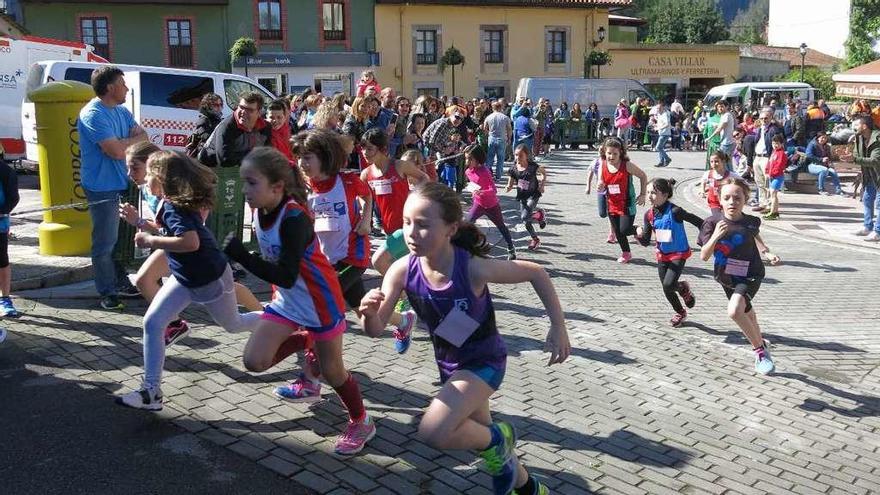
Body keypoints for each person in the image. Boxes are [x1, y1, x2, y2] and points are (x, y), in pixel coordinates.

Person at [358, 182, 570, 495]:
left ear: (451, 228)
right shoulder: (401, 270)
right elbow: (375, 330)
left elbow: (536, 272)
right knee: (482, 439)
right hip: (451, 366)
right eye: (406, 223)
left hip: (484, 362)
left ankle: (501, 437)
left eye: (423, 225)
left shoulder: (472, 268)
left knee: (434, 431)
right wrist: (368, 312)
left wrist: (558, 326)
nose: (411, 233)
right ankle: (530, 489)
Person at [223, 146, 375, 454]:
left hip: (320, 302)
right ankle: (308, 341)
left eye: (252, 183)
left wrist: (242, 257)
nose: (245, 190)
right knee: (254, 361)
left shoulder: (294, 219)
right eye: (244, 182)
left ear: (277, 187)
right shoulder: (261, 209)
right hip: (289, 302)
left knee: (334, 373)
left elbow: (286, 274)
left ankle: (361, 421)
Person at [116, 151, 256, 410]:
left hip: (210, 277)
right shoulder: (170, 202)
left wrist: (149, 241)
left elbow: (190, 242)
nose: (145, 179)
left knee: (234, 325)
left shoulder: (173, 206)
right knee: (153, 323)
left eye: (149, 174)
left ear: (162, 179)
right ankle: (151, 391)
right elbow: (171, 232)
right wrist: (140, 223)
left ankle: (281, 321)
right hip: (184, 278)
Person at [119, 142, 262, 346]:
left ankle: (269, 320)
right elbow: (166, 228)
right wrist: (138, 222)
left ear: (153, 166)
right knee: (146, 281)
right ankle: (175, 324)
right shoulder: (151, 188)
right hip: (184, 250)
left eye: (134, 167)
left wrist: (148, 235)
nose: (129, 173)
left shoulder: (173, 189)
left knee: (228, 299)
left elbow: (187, 235)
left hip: (196, 252)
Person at [77, 66, 147, 310]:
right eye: (123, 83)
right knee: (105, 242)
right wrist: (127, 144)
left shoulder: (121, 111)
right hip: (101, 187)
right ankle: (107, 292)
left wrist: (123, 143)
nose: (127, 88)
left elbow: (144, 138)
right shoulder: (92, 114)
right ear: (110, 87)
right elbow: (116, 151)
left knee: (121, 241)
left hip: (123, 183)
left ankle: (120, 281)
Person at [698, 178, 781, 375]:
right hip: (726, 277)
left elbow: (753, 235)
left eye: (737, 197)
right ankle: (761, 343)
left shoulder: (751, 221)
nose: (732, 202)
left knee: (735, 311)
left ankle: (760, 352)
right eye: (727, 197)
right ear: (720, 199)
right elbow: (704, 256)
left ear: (745, 199)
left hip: (750, 274)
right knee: (748, 313)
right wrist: (717, 236)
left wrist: (766, 252)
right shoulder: (711, 223)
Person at [635, 178, 702, 327]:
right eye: (648, 193)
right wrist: (637, 232)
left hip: (678, 253)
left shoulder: (675, 211)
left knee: (668, 283)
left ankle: (682, 289)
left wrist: (707, 236)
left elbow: (698, 221)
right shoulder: (649, 215)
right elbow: (645, 241)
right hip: (662, 254)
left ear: (665, 195)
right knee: (667, 287)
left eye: (654, 192)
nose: (650, 196)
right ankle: (680, 311)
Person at [360, 128, 429, 235]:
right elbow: (364, 200)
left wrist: (414, 196)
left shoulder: (399, 165)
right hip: (389, 228)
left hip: (409, 226)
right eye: (363, 148)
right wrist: (366, 220)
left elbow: (424, 178)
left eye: (369, 149)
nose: (365, 153)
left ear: (383, 149)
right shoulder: (365, 174)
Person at [597, 137, 647, 263]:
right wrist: (600, 185)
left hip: (627, 203)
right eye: (609, 153)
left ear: (621, 153)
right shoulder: (602, 164)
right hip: (611, 204)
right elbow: (600, 181)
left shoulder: (627, 165)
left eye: (615, 154)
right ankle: (626, 253)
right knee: (618, 232)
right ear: (604, 152)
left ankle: (636, 229)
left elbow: (643, 176)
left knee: (624, 229)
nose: (611, 156)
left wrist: (642, 194)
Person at [463, 144, 516, 261]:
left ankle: (510, 247)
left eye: (470, 159)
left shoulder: (485, 171)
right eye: (466, 158)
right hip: (478, 204)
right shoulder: (468, 172)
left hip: (491, 205)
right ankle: (467, 248)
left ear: (478, 159)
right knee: (467, 223)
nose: (467, 161)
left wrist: (482, 192)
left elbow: (493, 190)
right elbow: (472, 185)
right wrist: (472, 189)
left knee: (501, 226)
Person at [203, 92, 271, 168]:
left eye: (249, 110)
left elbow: (267, 154)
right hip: (212, 169)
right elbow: (225, 161)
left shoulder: (265, 127)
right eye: (241, 107)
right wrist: (254, 156)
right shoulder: (227, 126)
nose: (243, 112)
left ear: (259, 112)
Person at [839, 115, 880, 242]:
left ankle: (877, 232)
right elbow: (857, 155)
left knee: (879, 204)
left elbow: (875, 160)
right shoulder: (859, 137)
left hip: (878, 175)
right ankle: (867, 226)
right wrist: (849, 156)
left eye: (857, 125)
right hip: (868, 175)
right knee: (867, 200)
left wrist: (854, 159)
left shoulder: (877, 138)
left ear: (864, 126)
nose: (854, 127)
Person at [505, 144, 547, 251]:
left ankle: (539, 215)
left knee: (524, 217)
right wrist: (508, 187)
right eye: (516, 155)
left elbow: (543, 173)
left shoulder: (532, 166)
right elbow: (510, 182)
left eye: (520, 155)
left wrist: (542, 185)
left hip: (533, 195)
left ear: (526, 155)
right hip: (522, 196)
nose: (517, 158)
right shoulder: (513, 169)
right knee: (526, 222)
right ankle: (535, 238)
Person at [749, 107, 782, 213]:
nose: (764, 120)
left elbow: (778, 145)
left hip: (766, 158)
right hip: (757, 157)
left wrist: (773, 159)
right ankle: (762, 203)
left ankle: (769, 205)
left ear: (771, 118)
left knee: (767, 182)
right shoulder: (759, 129)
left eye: (766, 118)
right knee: (759, 182)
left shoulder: (773, 129)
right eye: (762, 118)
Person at [0, 153, 20, 318]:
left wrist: (2, 211)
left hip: (0, 225)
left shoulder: (6, 171)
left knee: (2, 261)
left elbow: (13, 199)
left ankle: (5, 299)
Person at [585, 142, 617, 245]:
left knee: (611, 212)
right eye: (599, 151)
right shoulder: (596, 162)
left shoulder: (612, 162)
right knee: (603, 213)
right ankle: (619, 224)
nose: (601, 152)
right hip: (601, 190)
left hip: (612, 190)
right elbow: (590, 174)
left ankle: (612, 233)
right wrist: (588, 187)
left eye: (602, 150)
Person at [700, 151, 738, 216]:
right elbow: (703, 181)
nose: (714, 164)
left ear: (723, 161)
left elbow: (744, 182)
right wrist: (702, 191)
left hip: (726, 202)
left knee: (728, 218)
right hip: (714, 202)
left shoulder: (730, 175)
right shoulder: (708, 173)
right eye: (711, 162)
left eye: (716, 161)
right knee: (718, 217)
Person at [185, 93, 223, 158]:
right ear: (207, 106)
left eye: (221, 105)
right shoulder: (203, 120)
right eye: (216, 105)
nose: (219, 108)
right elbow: (207, 138)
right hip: (202, 156)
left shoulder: (216, 119)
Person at [483, 101, 513, 179]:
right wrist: (509, 138)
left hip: (492, 138)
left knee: (489, 158)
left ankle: (486, 175)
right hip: (502, 139)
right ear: (501, 108)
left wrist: (487, 135)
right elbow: (509, 129)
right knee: (500, 159)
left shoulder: (489, 117)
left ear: (493, 108)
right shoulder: (505, 117)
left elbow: (485, 128)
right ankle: (498, 176)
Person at [763, 134, 787, 221]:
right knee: (773, 194)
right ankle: (775, 211)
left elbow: (779, 165)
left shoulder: (781, 153)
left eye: (777, 143)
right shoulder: (774, 153)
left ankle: (773, 212)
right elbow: (769, 163)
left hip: (777, 176)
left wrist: (772, 174)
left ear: (781, 144)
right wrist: (766, 171)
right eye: (773, 143)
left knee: (773, 194)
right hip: (772, 176)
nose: (775, 145)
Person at [654, 101, 672, 167]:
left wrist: (659, 128)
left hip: (665, 133)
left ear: (662, 108)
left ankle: (667, 159)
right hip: (662, 133)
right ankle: (661, 162)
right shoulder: (659, 114)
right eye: (657, 108)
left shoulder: (665, 114)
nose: (657, 109)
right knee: (660, 147)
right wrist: (656, 125)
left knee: (658, 147)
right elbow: (661, 123)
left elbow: (667, 124)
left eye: (659, 108)